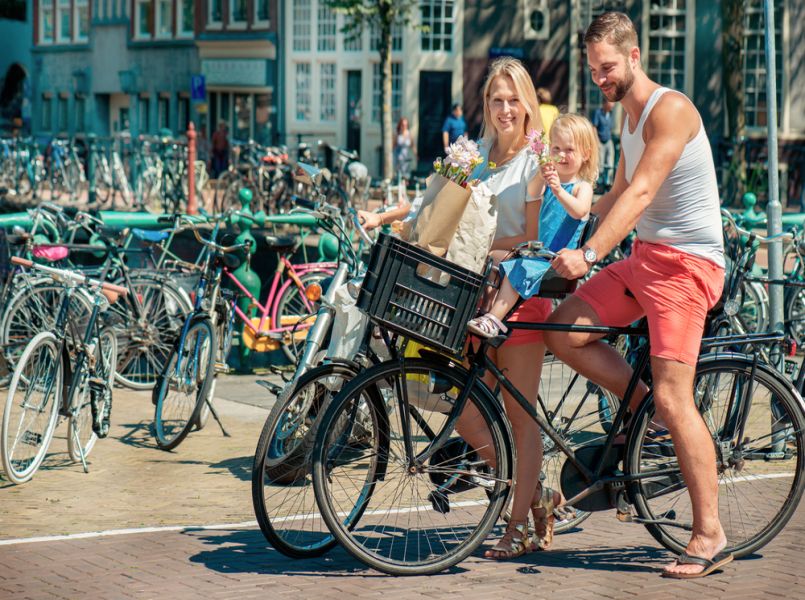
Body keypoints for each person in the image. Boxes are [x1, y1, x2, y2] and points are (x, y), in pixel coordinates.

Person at [544, 12, 727, 579]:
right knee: (563, 327)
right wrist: (558, 218)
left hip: (688, 266)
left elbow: (643, 192)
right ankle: (643, 405)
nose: (601, 78)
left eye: (608, 67)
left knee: (678, 400)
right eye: (594, 70)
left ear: (634, 56)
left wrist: (592, 252)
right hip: (645, 260)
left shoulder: (668, 110)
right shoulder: (626, 120)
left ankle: (708, 533)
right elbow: (613, 196)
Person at [447, 56, 562, 560]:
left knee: (519, 416)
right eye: (497, 99)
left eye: (515, 99)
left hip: (519, 297)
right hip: (477, 299)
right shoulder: (476, 157)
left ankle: (518, 529)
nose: (505, 108)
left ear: (529, 104)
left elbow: (536, 240)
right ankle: (534, 493)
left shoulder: (536, 160)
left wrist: (487, 245)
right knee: (468, 417)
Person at [467, 114, 597, 337]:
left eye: (569, 150)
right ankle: (483, 309)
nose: (561, 155)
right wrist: (541, 172)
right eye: (556, 149)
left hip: (555, 259)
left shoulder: (581, 187)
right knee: (492, 257)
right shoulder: (551, 181)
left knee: (520, 267)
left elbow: (580, 210)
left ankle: (494, 319)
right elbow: (533, 192)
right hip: (535, 251)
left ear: (585, 154)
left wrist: (557, 190)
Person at [592, 98, 615, 188]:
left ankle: (608, 182)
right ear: (605, 103)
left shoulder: (611, 114)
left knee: (610, 161)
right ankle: (599, 182)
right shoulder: (598, 113)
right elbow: (594, 127)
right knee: (600, 163)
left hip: (608, 140)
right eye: (611, 102)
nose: (613, 105)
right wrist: (596, 140)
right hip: (600, 140)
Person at [394, 117, 414, 183]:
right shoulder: (397, 134)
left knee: (406, 177)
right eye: (403, 125)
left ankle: (404, 191)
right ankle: (400, 190)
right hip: (398, 157)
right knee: (399, 176)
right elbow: (393, 146)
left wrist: (416, 155)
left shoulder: (409, 134)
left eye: (406, 125)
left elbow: (412, 145)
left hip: (406, 157)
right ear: (400, 125)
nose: (404, 126)